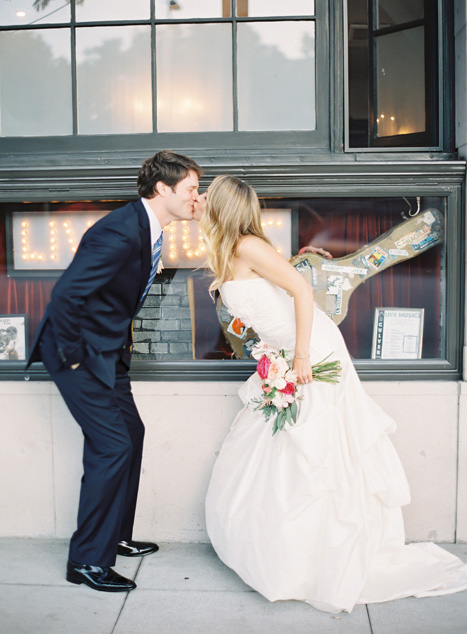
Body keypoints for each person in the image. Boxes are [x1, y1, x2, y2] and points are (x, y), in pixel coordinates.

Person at [194, 175, 467, 614]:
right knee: (285, 447)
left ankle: (318, 553)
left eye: (207, 195)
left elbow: (301, 291)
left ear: (223, 206)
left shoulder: (246, 246)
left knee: (317, 449)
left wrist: (300, 357)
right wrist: (296, 261)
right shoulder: (237, 249)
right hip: (285, 351)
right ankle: (291, 547)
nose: (200, 200)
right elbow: (274, 285)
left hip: (311, 351)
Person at [27, 150, 203, 593]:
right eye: (192, 190)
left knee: (131, 435)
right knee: (112, 447)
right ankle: (86, 561)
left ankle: (115, 535)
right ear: (163, 189)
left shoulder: (147, 227)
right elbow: (66, 296)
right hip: (79, 354)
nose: (196, 199)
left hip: (109, 353)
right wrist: (72, 358)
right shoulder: (120, 232)